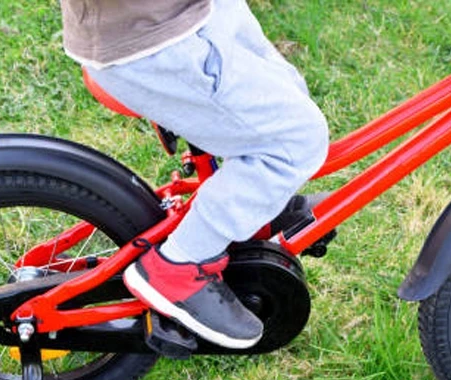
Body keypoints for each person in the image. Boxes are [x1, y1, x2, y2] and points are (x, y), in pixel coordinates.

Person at [60, 0, 330, 349]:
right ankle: (179, 267)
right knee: (293, 141)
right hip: (152, 38)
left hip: (184, 14)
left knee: (287, 96)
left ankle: (251, 203)